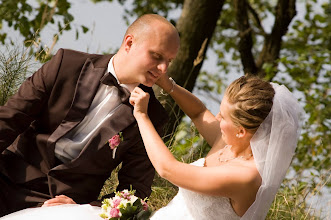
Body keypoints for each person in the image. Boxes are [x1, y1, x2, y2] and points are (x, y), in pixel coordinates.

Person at [0, 13, 180, 217]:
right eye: (157, 56)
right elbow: (8, 120)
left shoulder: (152, 116)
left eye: (169, 61)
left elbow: (135, 190)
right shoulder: (66, 65)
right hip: (9, 178)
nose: (163, 68)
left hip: (66, 207)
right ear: (129, 43)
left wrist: (85, 207)